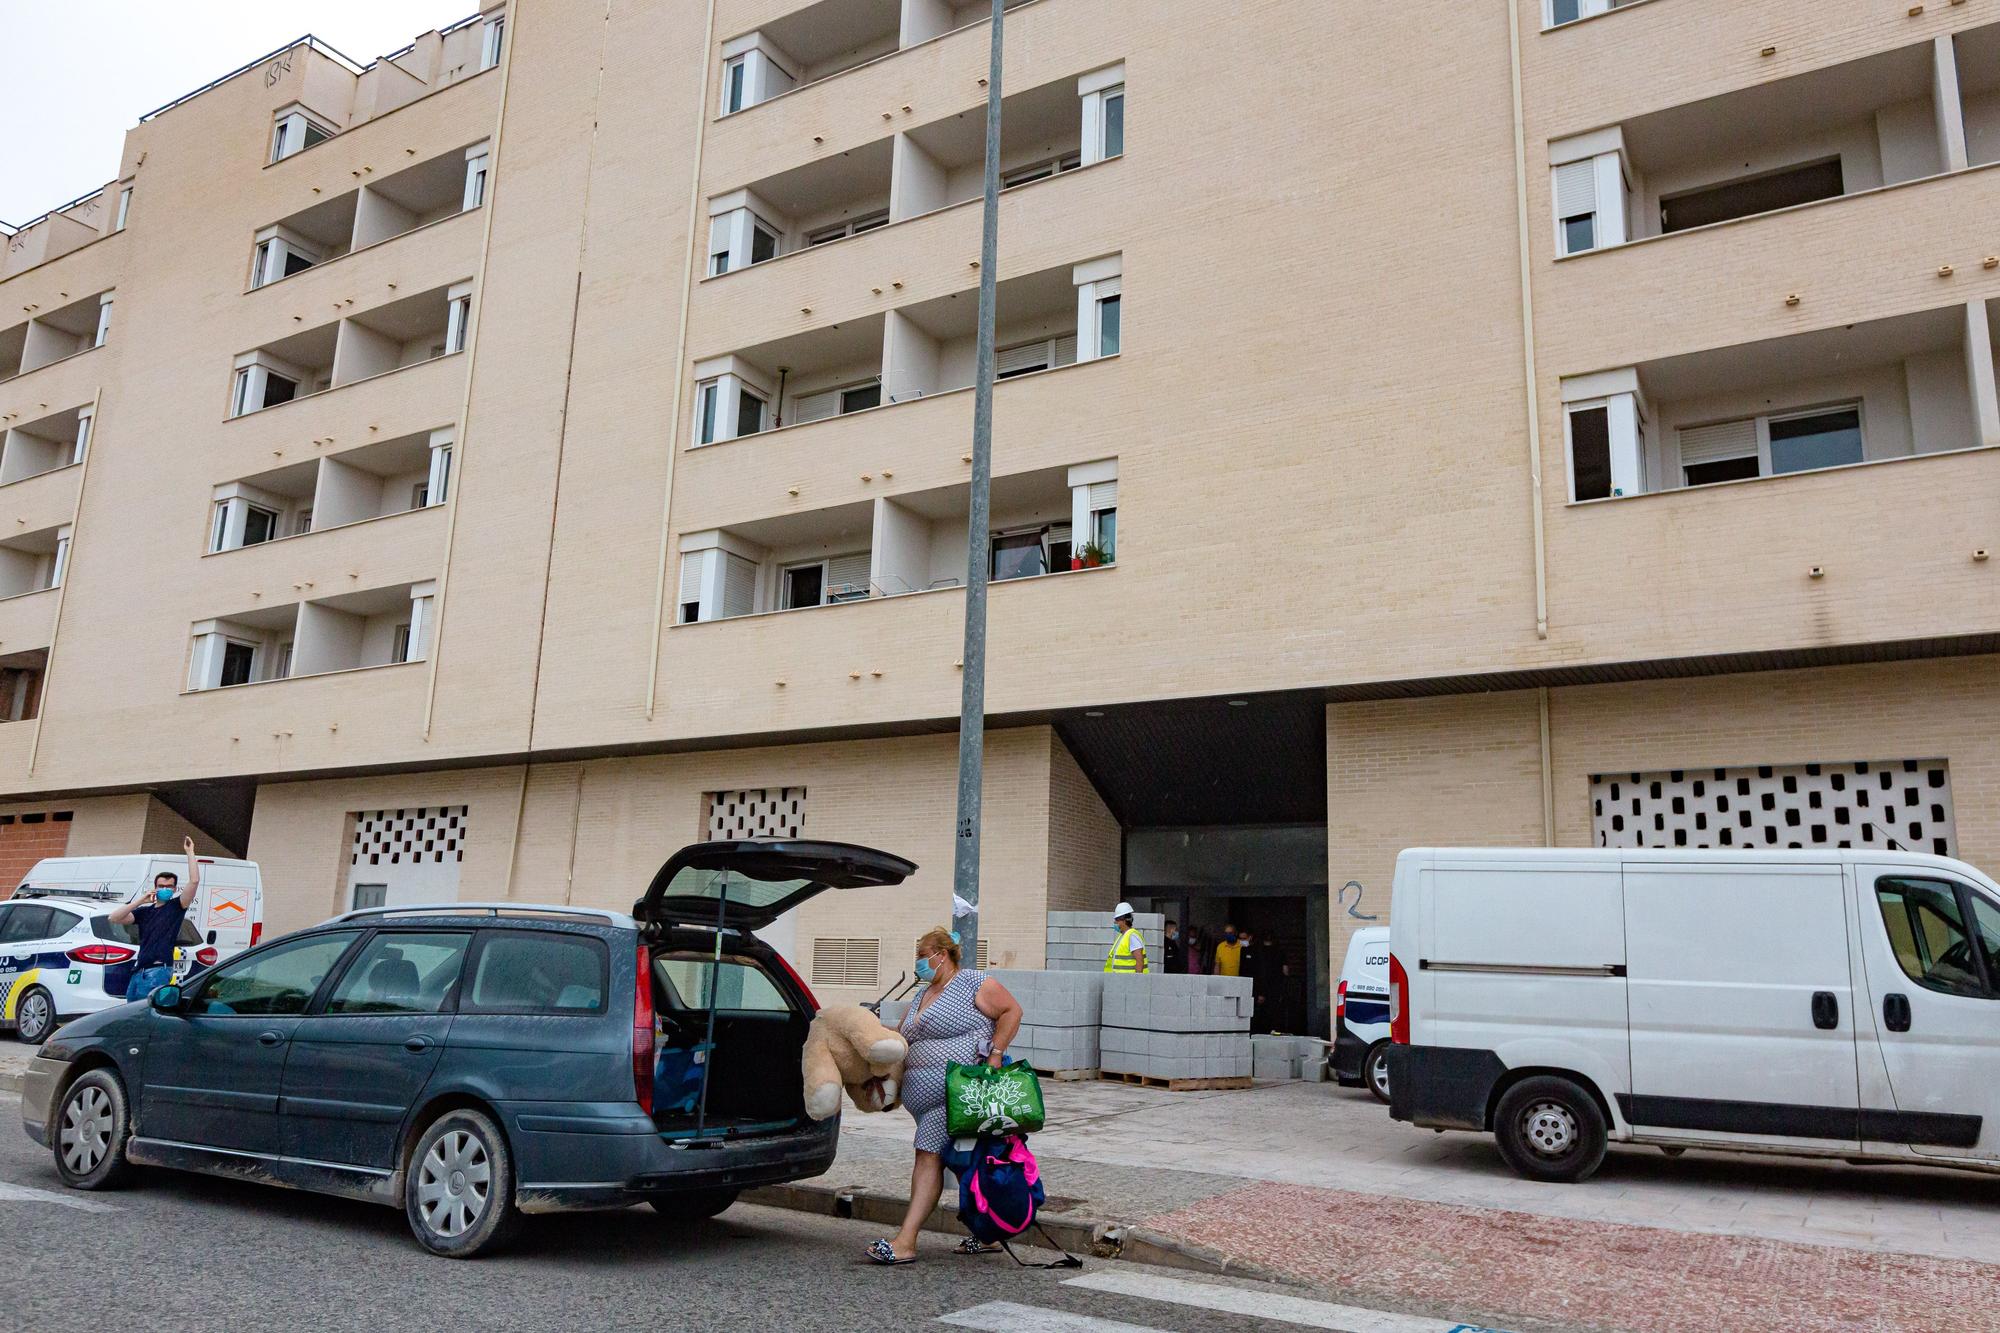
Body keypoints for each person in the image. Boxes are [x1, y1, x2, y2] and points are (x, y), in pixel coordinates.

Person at [867, 926, 1023, 1265]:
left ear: (942, 954)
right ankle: (990, 1234)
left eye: (923, 956)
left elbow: (1012, 1011)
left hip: (955, 1093)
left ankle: (906, 1240)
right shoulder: (923, 995)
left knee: (927, 1157)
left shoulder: (972, 983)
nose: (919, 963)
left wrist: (995, 1054)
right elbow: (903, 1036)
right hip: (923, 1102)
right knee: (970, 1161)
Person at [108, 838, 200, 1000]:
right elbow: (114, 917)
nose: (165, 889)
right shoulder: (144, 912)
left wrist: (190, 852)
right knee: (132, 1013)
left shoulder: (176, 906)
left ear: (175, 889)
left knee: (148, 1013)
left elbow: (194, 881)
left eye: (169, 886)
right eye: (161, 886)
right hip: (139, 971)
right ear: (155, 888)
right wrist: (140, 901)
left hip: (158, 971)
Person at [1103, 903, 1147, 975]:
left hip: (1128, 982)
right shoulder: (1123, 936)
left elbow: (1139, 961)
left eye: (1117, 920)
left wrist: (1137, 981)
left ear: (1124, 921)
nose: (1115, 923)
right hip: (1120, 981)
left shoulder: (1132, 936)